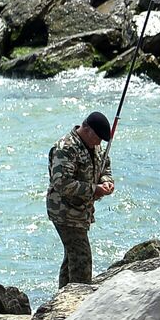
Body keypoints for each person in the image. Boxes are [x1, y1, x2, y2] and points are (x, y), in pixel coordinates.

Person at [46, 111, 115, 286]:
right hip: (64, 211)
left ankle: (62, 297)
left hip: (81, 211)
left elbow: (104, 165)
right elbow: (62, 183)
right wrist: (94, 189)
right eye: (98, 138)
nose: (99, 143)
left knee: (72, 256)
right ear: (87, 130)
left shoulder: (94, 145)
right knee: (82, 259)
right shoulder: (66, 148)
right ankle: (77, 300)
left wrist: (106, 182)